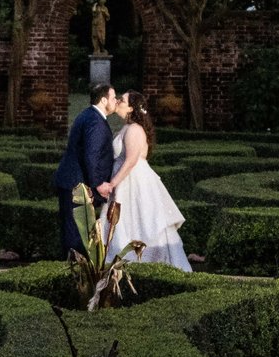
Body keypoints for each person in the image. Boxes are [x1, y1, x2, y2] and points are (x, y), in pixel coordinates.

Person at [107, 91, 191, 271]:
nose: (118, 102)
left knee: (144, 221)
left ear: (130, 107)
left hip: (134, 181)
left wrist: (112, 183)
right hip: (127, 181)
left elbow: (130, 161)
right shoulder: (126, 127)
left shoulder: (134, 129)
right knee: (126, 222)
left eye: (122, 100)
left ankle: (147, 262)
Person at [55, 85, 122, 255]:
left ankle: (74, 270)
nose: (116, 101)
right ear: (104, 100)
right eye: (114, 98)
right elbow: (91, 156)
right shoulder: (95, 122)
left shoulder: (88, 115)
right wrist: (98, 183)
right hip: (76, 184)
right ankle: (74, 274)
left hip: (73, 181)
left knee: (74, 231)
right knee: (76, 233)